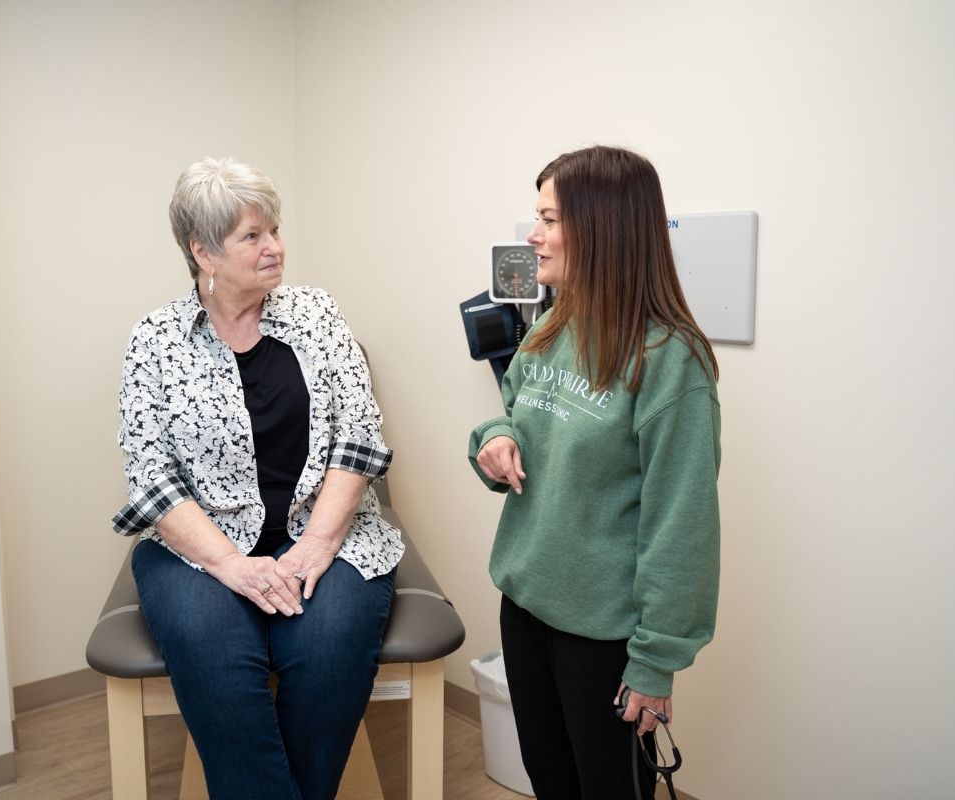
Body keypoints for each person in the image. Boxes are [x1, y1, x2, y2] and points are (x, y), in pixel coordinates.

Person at [111, 157, 402, 800]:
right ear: (202, 252)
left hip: (329, 535)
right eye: (252, 236)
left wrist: (318, 546)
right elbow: (151, 481)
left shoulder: (317, 315)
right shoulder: (155, 340)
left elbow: (358, 440)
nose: (275, 247)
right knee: (217, 662)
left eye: (274, 229)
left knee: (326, 652)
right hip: (197, 552)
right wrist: (233, 566)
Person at [469, 145, 722, 798]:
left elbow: (681, 523)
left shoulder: (669, 360)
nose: (533, 235)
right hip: (526, 607)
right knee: (550, 780)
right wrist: (493, 442)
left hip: (605, 635)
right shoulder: (554, 322)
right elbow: (512, 417)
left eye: (549, 220)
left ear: (602, 226)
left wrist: (656, 660)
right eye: (537, 217)